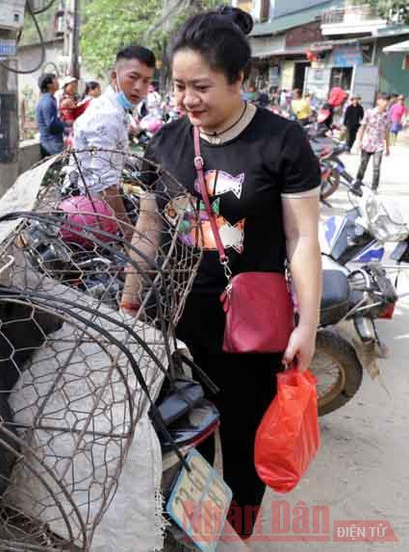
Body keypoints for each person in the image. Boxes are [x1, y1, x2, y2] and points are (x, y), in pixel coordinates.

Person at [120, 6, 322, 540]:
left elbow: (302, 239)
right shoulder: (164, 142)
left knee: (242, 437)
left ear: (239, 79)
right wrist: (128, 302)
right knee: (184, 439)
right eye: (180, 86)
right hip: (176, 323)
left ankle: (239, 533)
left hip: (250, 331)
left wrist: (308, 324)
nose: (188, 99)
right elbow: (148, 230)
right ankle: (198, 535)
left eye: (202, 87)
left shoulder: (281, 143)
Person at [64, 45, 155, 236]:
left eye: (146, 81)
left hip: (94, 203)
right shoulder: (107, 115)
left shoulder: (115, 109)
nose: (139, 87)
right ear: (115, 76)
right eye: (133, 77)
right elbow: (104, 185)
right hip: (88, 210)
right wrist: (129, 233)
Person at [356, 92, 391, 190]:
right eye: (383, 101)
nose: (385, 103)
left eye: (387, 101)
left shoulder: (387, 116)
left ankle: (374, 188)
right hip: (367, 143)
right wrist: (359, 141)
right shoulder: (369, 112)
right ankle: (357, 183)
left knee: (376, 167)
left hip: (379, 145)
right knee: (363, 165)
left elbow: (387, 132)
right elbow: (362, 127)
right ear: (378, 101)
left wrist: (387, 147)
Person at [36, 73, 65, 158]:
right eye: (55, 80)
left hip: (49, 143)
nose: (58, 82)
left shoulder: (47, 99)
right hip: (51, 145)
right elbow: (52, 125)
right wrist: (66, 125)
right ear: (49, 84)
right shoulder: (48, 101)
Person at [59, 76, 90, 144]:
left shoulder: (74, 98)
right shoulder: (64, 99)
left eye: (75, 86)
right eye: (72, 86)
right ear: (65, 86)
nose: (74, 88)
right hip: (68, 130)